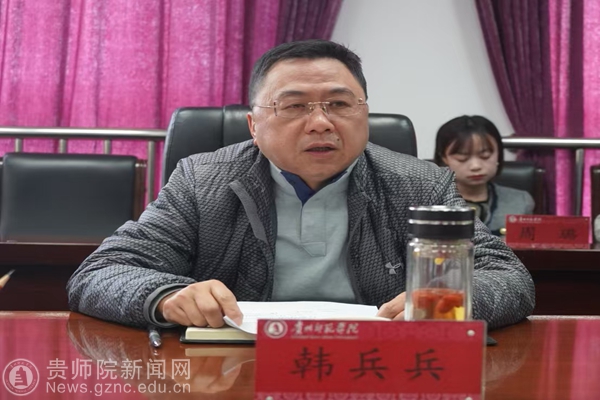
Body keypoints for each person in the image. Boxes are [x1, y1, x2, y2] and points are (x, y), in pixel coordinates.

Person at [67, 39, 535, 331]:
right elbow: (103, 272)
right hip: (238, 366)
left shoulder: (420, 185)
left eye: (340, 104)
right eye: (294, 106)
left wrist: (442, 302)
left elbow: (508, 278)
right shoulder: (202, 181)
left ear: (365, 115)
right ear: (254, 125)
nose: (321, 123)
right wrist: (167, 296)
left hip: (373, 365)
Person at [434, 116, 535, 235]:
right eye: (462, 158)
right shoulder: (426, 202)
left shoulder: (521, 201)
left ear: (498, 154)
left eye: (485, 156)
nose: (476, 166)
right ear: (444, 158)